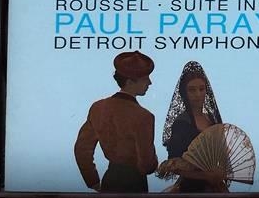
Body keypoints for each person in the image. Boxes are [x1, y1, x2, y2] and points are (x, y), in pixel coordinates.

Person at [73, 51, 157, 192]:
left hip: (109, 179)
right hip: (135, 184)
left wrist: (92, 181)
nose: (150, 82)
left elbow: (82, 149)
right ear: (129, 82)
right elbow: (147, 165)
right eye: (145, 78)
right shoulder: (144, 116)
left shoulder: (98, 107)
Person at [159, 62, 228, 192]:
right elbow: (174, 164)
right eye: (192, 90)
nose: (198, 94)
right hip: (191, 188)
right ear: (184, 93)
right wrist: (205, 176)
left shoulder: (212, 119)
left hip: (216, 187)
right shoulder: (181, 123)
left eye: (201, 89)